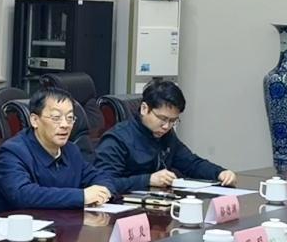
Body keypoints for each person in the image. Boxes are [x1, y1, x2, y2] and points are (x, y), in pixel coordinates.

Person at [94, 79, 235, 189]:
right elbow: (102, 183)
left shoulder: (166, 135)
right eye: (162, 118)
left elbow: (191, 163)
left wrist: (220, 173)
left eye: (173, 121)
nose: (166, 126)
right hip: (123, 212)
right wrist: (148, 180)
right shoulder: (117, 139)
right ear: (144, 109)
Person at [0, 87, 117, 209]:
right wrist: (81, 196)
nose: (65, 125)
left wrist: (102, 191)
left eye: (70, 118)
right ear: (34, 120)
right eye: (56, 118)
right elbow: (22, 194)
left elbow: (100, 176)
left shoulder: (71, 150)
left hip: (65, 220)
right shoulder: (13, 152)